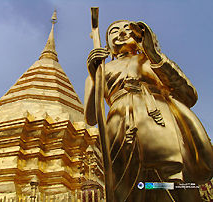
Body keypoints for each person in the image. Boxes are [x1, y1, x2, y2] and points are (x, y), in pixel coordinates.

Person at [84, 20, 213, 202]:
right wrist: (94, 75)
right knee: (126, 186)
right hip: (119, 126)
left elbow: (188, 94)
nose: (121, 33)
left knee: (174, 179)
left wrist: (152, 53)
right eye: (114, 31)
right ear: (107, 46)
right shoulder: (100, 71)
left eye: (127, 29)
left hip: (159, 120)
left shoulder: (153, 60)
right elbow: (90, 117)